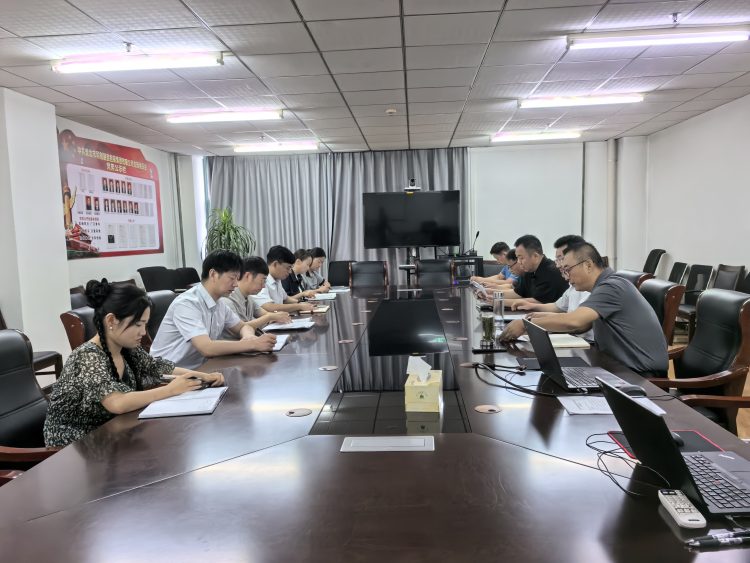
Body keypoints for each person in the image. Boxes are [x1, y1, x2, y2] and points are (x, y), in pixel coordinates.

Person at [43, 280, 225, 447]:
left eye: (145, 324)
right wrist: (171, 390)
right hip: (73, 447)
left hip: (110, 434)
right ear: (111, 321)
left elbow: (157, 367)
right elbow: (117, 402)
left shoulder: (125, 347)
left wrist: (203, 377)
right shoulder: (87, 356)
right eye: (138, 325)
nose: (143, 332)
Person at [500, 241, 668, 375]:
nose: (566, 277)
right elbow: (582, 325)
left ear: (588, 265)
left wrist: (525, 324)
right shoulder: (604, 285)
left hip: (638, 374)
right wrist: (541, 318)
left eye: (568, 270)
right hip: (616, 364)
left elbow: (574, 321)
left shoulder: (612, 286)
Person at [150, 250, 276, 369]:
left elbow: (243, 326)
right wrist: (252, 344)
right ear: (213, 274)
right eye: (232, 278)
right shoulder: (187, 303)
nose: (236, 284)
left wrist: (249, 338)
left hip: (202, 368)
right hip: (170, 374)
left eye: (237, 279)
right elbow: (207, 348)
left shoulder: (219, 304)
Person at [511, 235, 593, 340]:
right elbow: (558, 307)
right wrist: (535, 309)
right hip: (574, 338)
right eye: (557, 260)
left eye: (561, 259)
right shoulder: (574, 285)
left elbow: (577, 323)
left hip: (587, 342)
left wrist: (528, 324)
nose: (558, 265)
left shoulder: (598, 287)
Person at [221, 256, 292, 329]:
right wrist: (269, 317)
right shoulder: (227, 299)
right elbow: (239, 328)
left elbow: (265, 314)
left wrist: (276, 316)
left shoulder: (249, 298)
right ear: (248, 276)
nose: (263, 286)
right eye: (263, 280)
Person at [499, 234, 568, 306]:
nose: (519, 262)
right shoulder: (529, 270)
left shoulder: (552, 272)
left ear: (535, 256)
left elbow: (537, 301)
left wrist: (498, 301)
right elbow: (518, 293)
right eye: (518, 258)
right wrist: (494, 295)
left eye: (521, 258)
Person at [253, 245, 315, 314]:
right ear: (275, 264)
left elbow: (285, 299)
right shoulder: (262, 280)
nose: (290, 271)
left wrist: (301, 303)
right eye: (288, 268)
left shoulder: (277, 279)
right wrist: (299, 306)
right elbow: (269, 306)